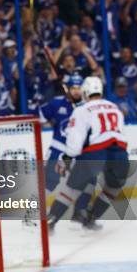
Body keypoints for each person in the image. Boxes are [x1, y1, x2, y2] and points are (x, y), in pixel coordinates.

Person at [48, 76, 129, 231]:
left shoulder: (81, 110)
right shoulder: (114, 107)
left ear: (85, 92)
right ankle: (90, 218)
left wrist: (67, 156)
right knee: (113, 187)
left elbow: (75, 143)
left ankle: (52, 219)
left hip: (97, 151)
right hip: (119, 152)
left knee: (72, 187)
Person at [39, 75, 90, 226]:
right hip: (57, 149)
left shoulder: (86, 107)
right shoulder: (57, 103)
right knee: (49, 183)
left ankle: (78, 215)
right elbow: (40, 115)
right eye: (73, 88)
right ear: (68, 88)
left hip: (77, 153)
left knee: (84, 183)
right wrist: (49, 121)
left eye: (79, 88)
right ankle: (30, 215)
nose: (76, 91)